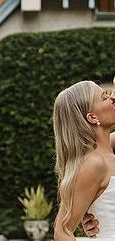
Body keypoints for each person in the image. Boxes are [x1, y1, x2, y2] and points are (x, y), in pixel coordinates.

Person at [53, 80, 115, 240]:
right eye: (105, 96)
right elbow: (62, 232)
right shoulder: (94, 164)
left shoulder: (108, 154)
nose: (112, 98)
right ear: (93, 117)